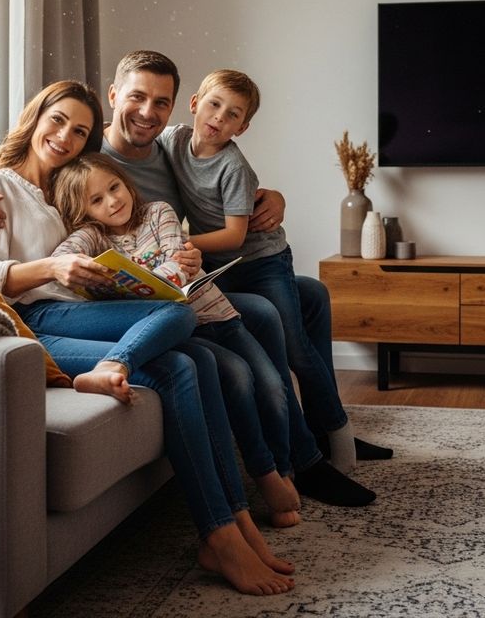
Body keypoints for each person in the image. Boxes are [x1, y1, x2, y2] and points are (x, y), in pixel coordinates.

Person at [0, 51, 389, 501]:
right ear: (114, 96)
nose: (147, 112)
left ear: (179, 107)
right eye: (137, 97)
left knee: (311, 294)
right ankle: (301, 458)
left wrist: (273, 197)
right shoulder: (84, 152)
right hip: (124, 294)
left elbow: (222, 170)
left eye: (161, 103)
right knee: (261, 313)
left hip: (188, 271)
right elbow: (7, 182)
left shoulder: (171, 144)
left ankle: (327, 428)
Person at [0, 80, 294, 595]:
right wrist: (48, 262)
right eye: (58, 120)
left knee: (192, 362)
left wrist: (266, 195)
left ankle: (231, 523)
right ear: (35, 117)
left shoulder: (62, 188)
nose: (65, 136)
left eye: (80, 131)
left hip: (87, 312)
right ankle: (221, 528)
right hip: (33, 322)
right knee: (178, 320)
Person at [50, 151, 302, 526]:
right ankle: (262, 472)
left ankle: (282, 471)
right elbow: (62, 259)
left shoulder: (157, 212)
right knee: (236, 377)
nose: (113, 201)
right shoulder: (91, 236)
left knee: (271, 384)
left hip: (220, 318)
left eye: (114, 187)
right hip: (187, 330)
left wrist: (137, 279)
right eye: (97, 200)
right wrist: (89, 272)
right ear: (84, 212)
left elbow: (173, 261)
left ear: (125, 182)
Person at [157, 68, 376, 476]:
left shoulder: (233, 167)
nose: (219, 117)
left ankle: (340, 434)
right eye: (214, 104)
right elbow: (113, 132)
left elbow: (236, 236)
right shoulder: (173, 140)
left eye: (233, 114)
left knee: (295, 347)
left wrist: (180, 245)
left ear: (243, 127)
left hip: (263, 262)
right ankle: (304, 438)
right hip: (221, 268)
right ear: (193, 104)